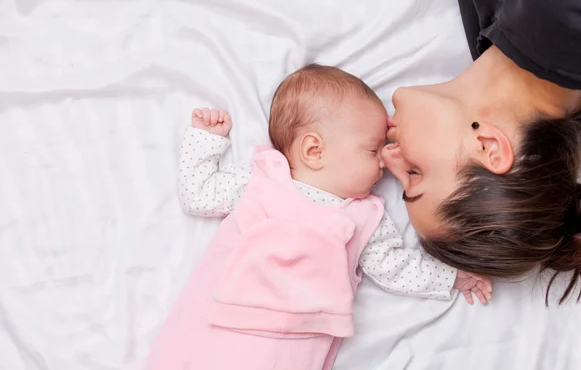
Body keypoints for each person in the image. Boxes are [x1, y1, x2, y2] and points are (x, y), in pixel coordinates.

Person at [145, 65, 491, 370]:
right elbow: (199, 196)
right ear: (314, 150)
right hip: (217, 327)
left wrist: (451, 277)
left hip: (293, 347)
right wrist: (205, 142)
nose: (384, 160)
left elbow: (396, 268)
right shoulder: (262, 177)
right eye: (372, 149)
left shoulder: (365, 216)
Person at [381, 0, 581, 304]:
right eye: (414, 173)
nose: (387, 157)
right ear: (489, 147)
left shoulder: (495, 39)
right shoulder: (565, 5)